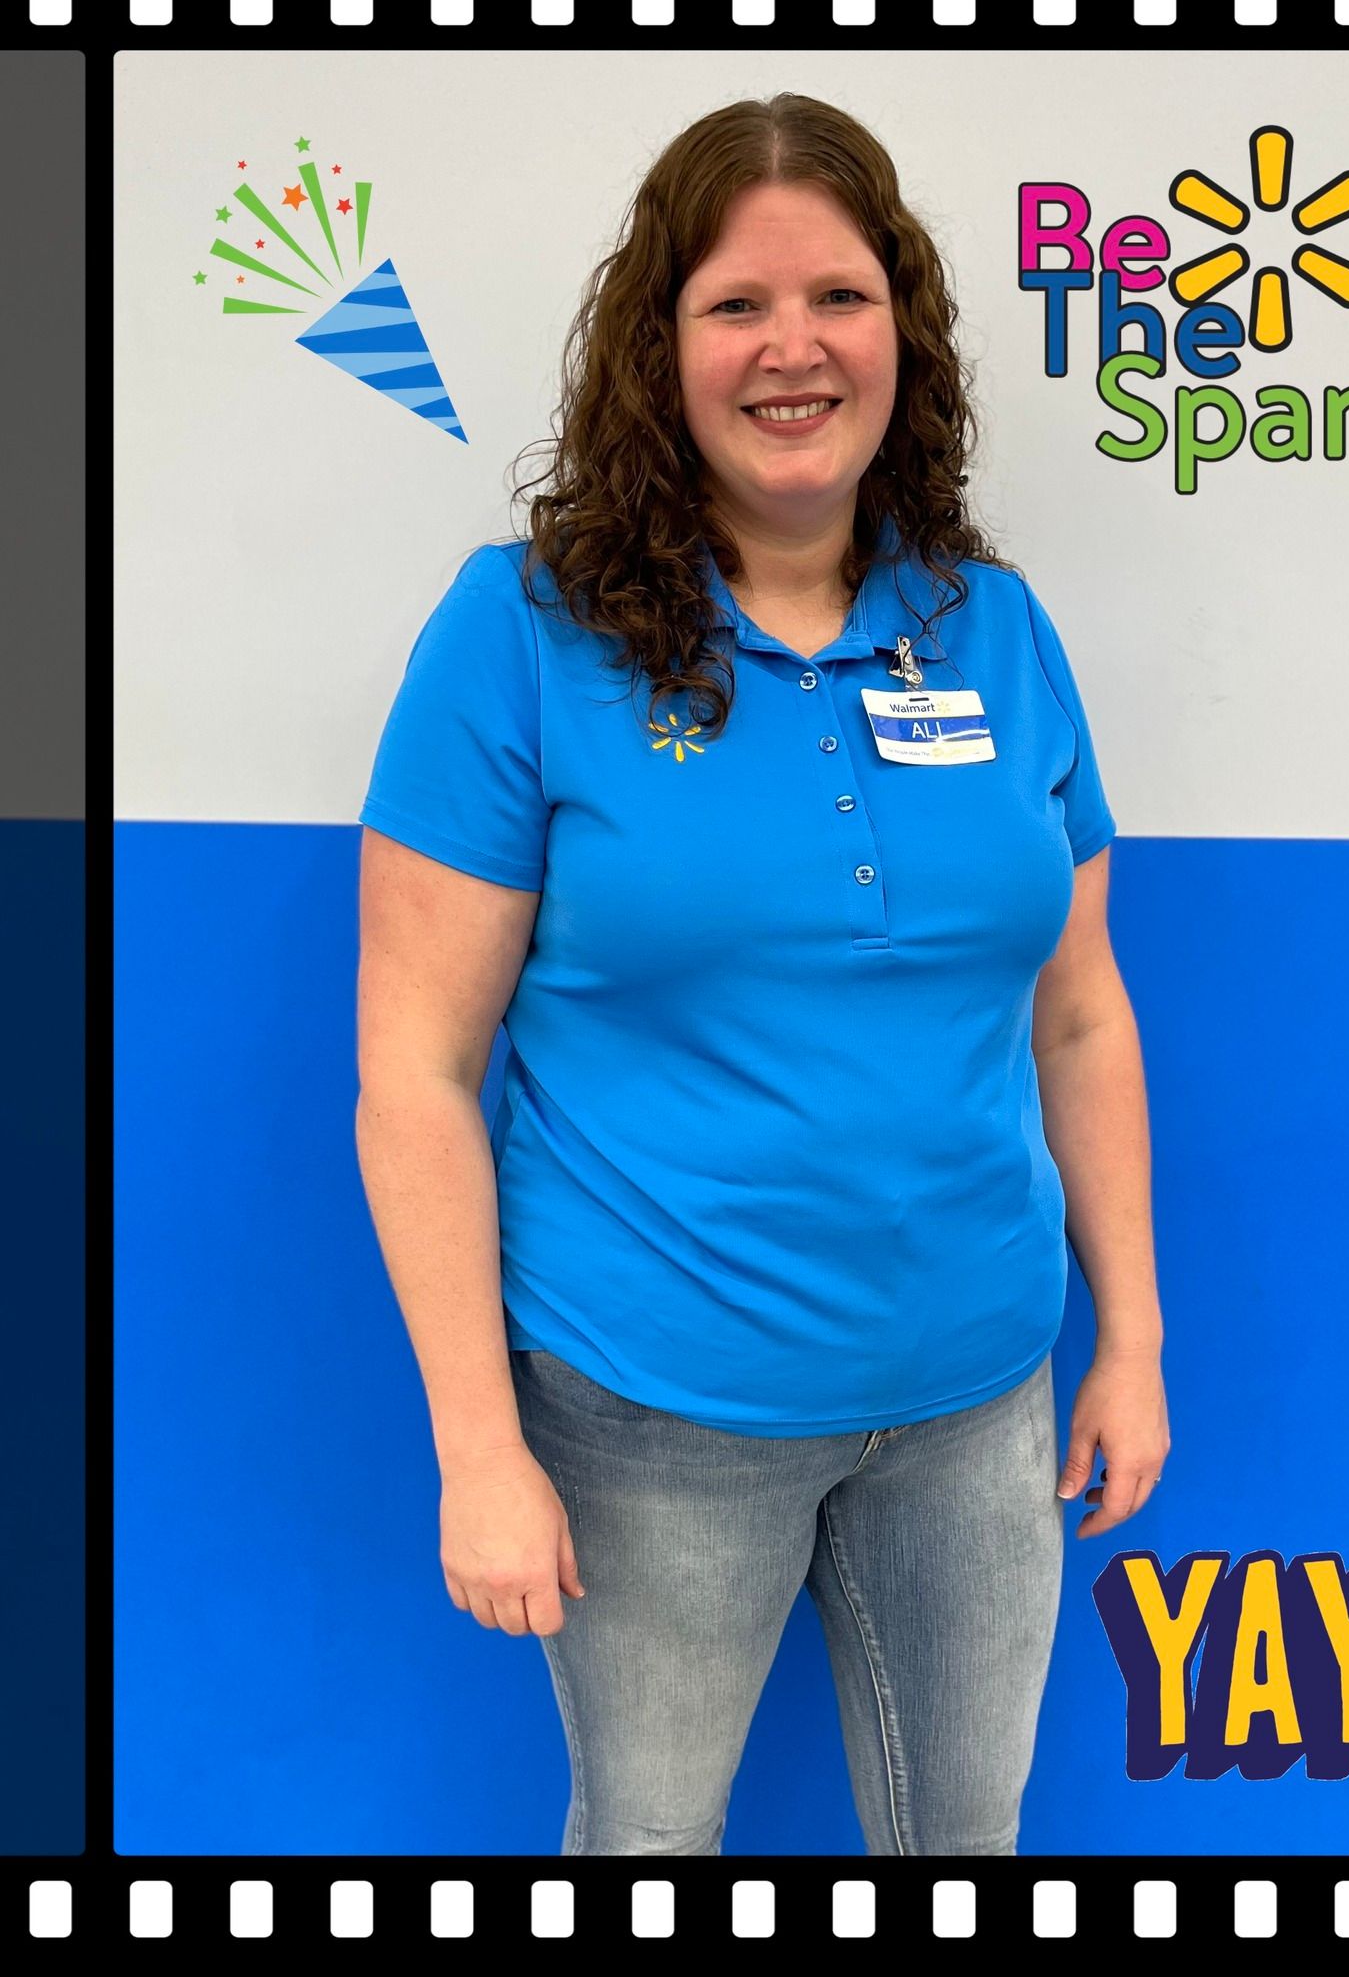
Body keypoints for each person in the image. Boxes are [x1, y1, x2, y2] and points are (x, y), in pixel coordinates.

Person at [354, 92, 1169, 1859]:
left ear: (904, 335)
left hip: (978, 1394)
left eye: (840, 298)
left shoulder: (994, 627)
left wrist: (1135, 1337)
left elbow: (1081, 1011)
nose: (793, 348)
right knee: (649, 1842)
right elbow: (415, 1070)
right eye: (736, 304)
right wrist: (478, 1449)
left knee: (964, 1844)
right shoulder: (522, 633)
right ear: (660, 347)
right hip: (653, 1411)